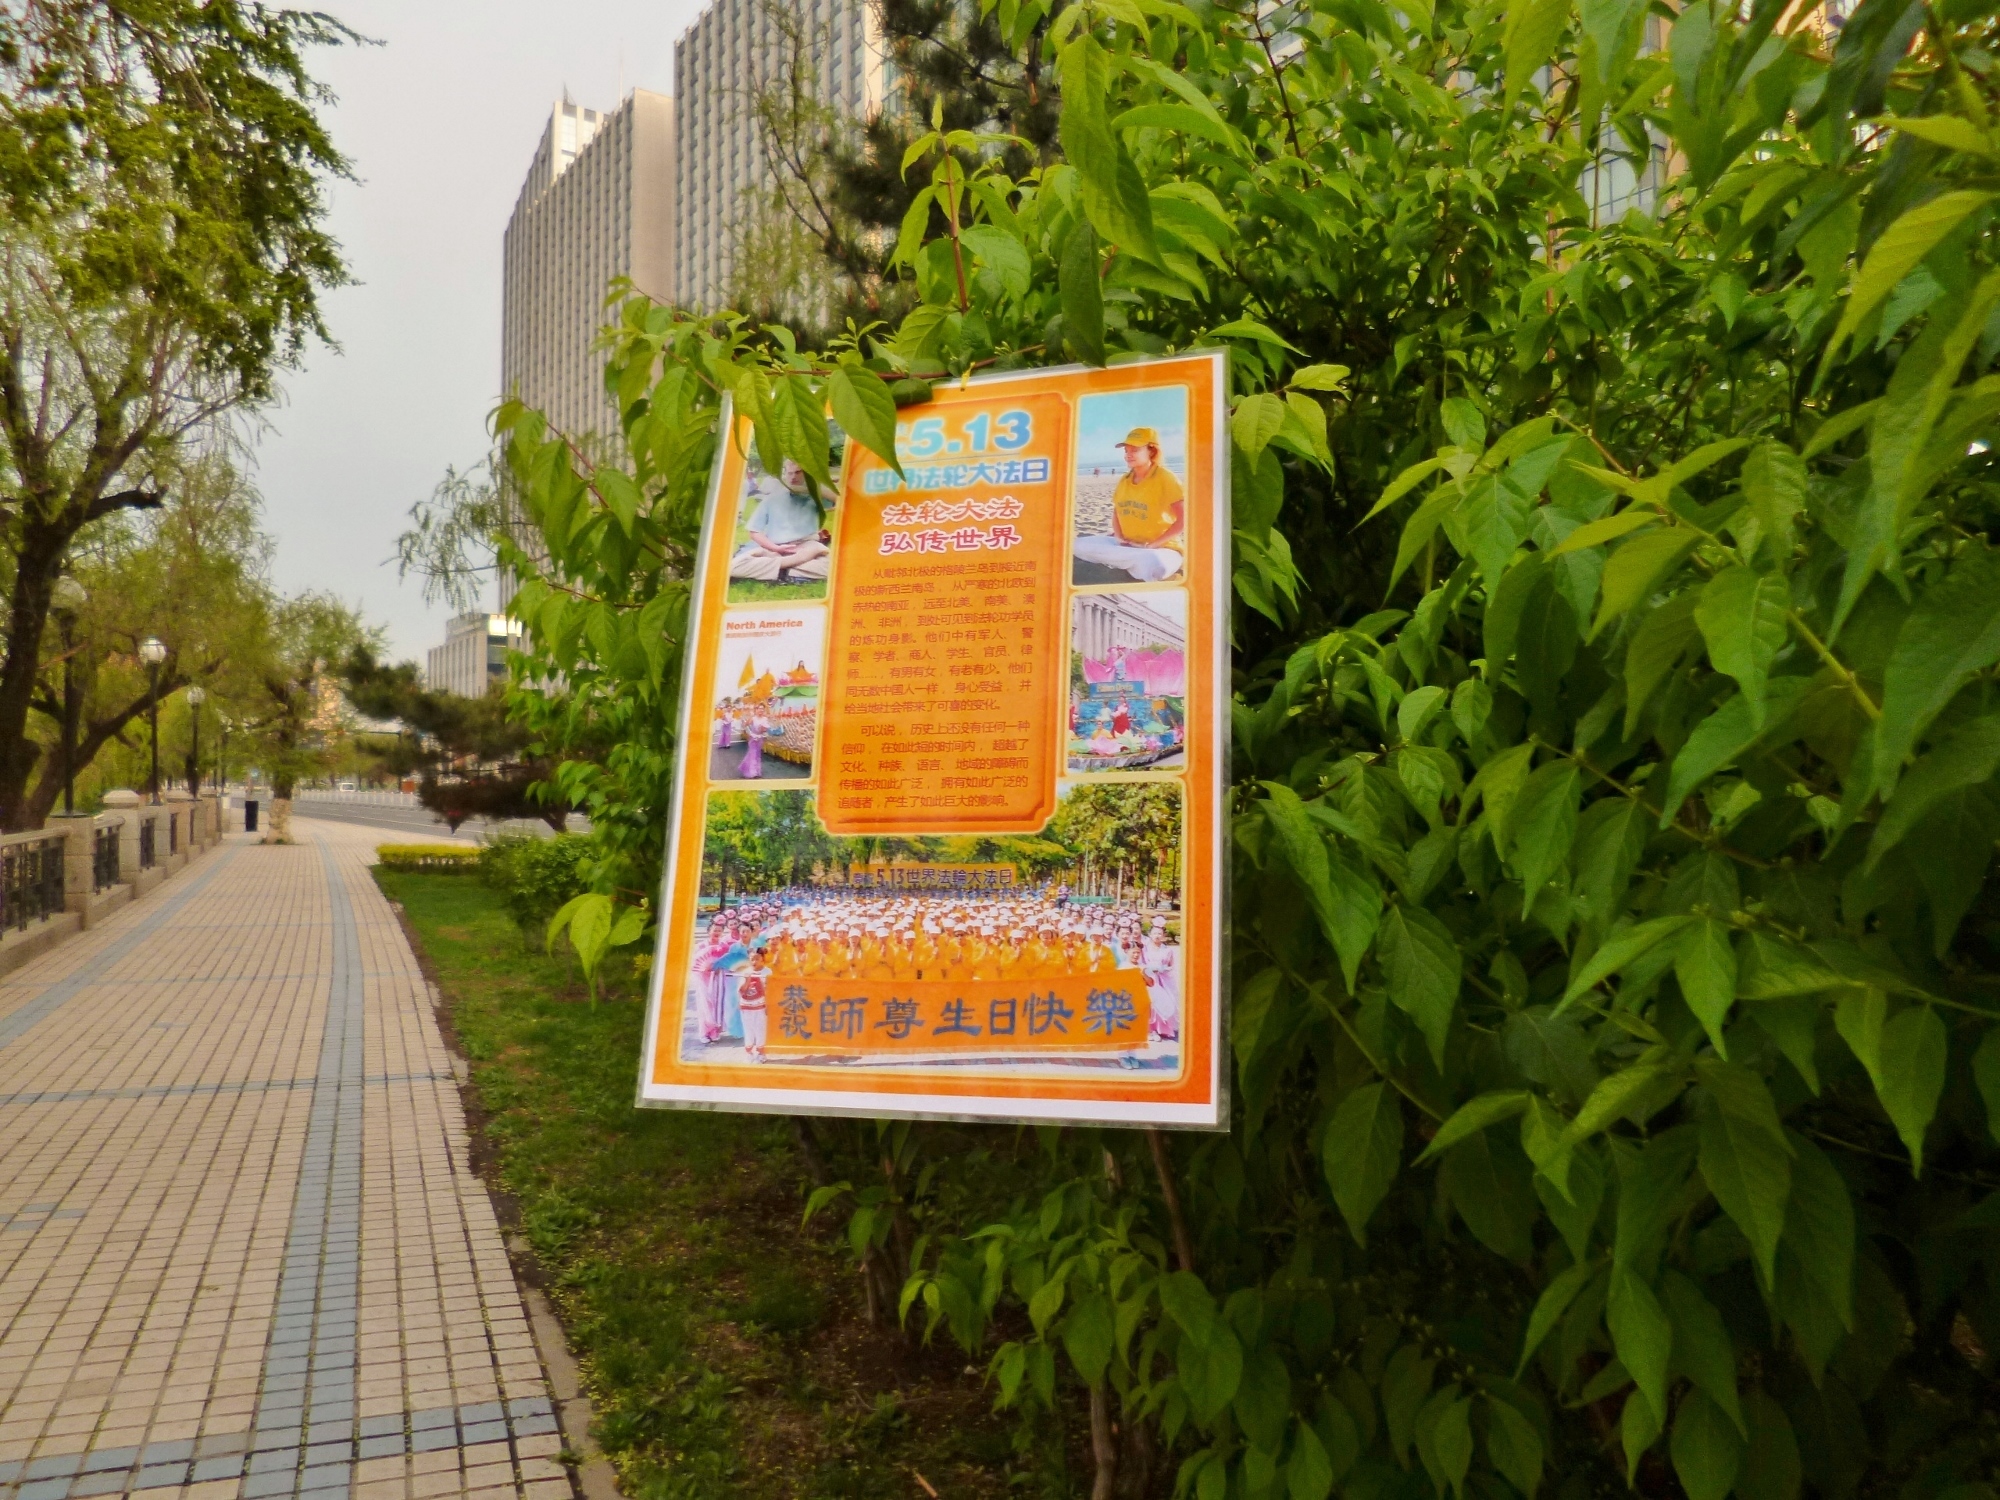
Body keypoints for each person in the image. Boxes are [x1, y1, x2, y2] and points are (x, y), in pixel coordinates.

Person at [1073, 426, 1185, 582]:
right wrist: (1119, 538)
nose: (1128, 455)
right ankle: (1130, 561)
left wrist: (1152, 545)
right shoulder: (1124, 480)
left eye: (1135, 450)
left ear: (1151, 451)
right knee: (1077, 545)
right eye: (1126, 451)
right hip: (1127, 544)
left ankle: (1131, 561)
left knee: (1153, 563)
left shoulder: (1166, 478)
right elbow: (1117, 512)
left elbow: (1183, 520)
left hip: (1162, 548)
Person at [730, 458, 830, 582]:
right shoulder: (772, 498)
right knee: (734, 566)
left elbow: (842, 500)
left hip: (806, 546)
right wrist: (775, 548)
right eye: (790, 473)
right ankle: (788, 569)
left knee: (833, 567)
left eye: (798, 472)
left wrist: (812, 489)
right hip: (773, 549)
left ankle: (777, 570)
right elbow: (754, 532)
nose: (793, 477)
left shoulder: (815, 498)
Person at [738, 946, 771, 1061]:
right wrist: (747, 980)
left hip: (761, 1006)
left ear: (762, 959)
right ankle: (749, 1052)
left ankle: (761, 1053)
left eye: (757, 959)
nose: (754, 962)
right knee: (748, 1030)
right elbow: (741, 990)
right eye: (752, 959)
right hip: (746, 1006)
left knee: (761, 1029)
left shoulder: (767, 972)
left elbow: (770, 990)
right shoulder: (745, 972)